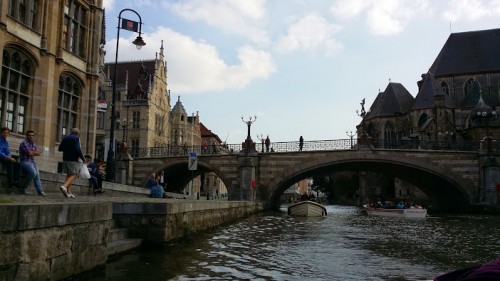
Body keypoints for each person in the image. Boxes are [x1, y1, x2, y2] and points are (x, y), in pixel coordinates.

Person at [58, 128, 85, 198]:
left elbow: (60, 148)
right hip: (73, 159)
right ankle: (64, 186)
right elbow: (78, 149)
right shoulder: (76, 138)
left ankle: (68, 192)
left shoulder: (65, 138)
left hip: (65, 158)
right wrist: (83, 158)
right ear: (78, 133)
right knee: (74, 174)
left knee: (69, 175)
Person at [18, 130, 46, 195]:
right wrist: (33, 152)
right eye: (29, 135)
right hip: (25, 161)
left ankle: (40, 190)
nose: (31, 137)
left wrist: (33, 152)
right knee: (33, 173)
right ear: (27, 136)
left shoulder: (33, 144)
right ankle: (22, 187)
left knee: (37, 175)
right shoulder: (24, 143)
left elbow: (38, 153)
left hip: (33, 161)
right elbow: (29, 153)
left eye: (32, 135)